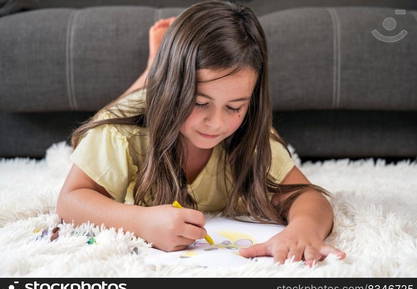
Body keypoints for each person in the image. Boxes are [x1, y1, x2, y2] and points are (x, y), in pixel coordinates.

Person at [56, 0, 346, 267]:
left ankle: (158, 73)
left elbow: (308, 198)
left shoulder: (249, 136)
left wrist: (303, 229)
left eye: (234, 107)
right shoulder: (119, 132)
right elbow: (70, 201)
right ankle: (152, 71)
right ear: (172, 89)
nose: (215, 123)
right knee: (94, 129)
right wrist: (140, 221)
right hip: (140, 112)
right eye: (199, 102)